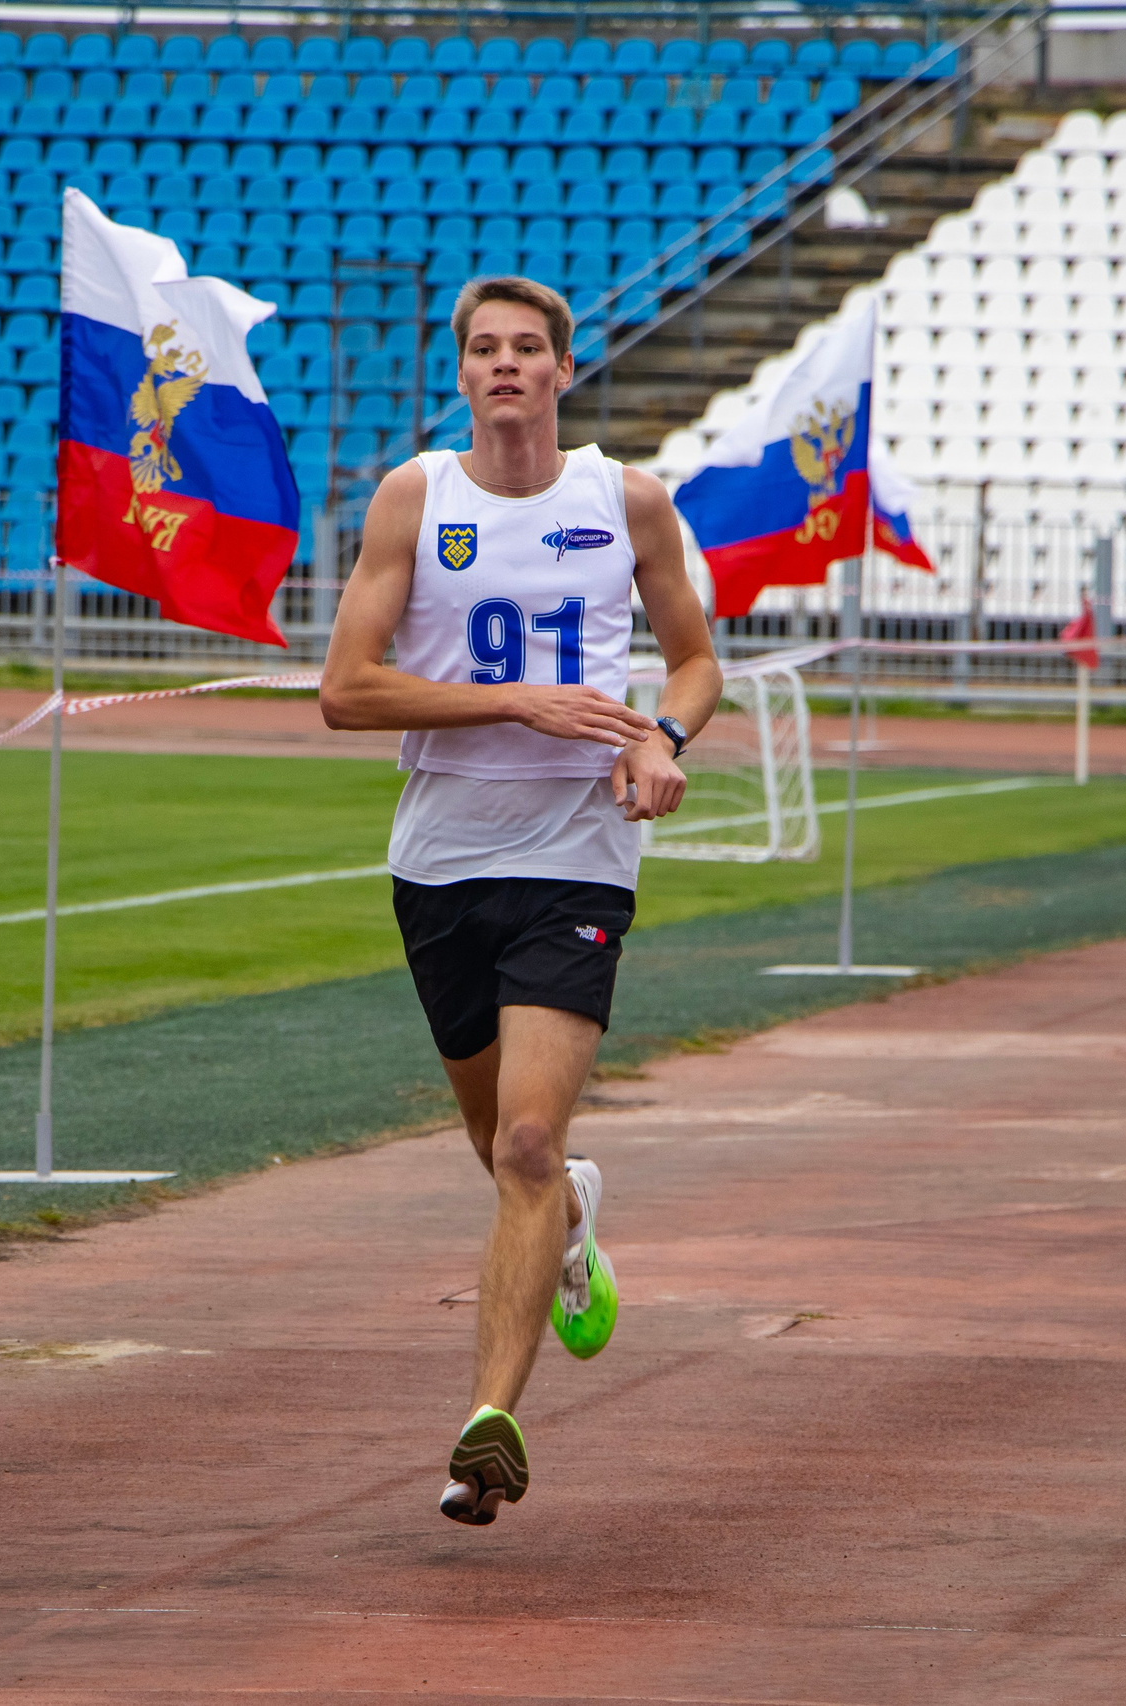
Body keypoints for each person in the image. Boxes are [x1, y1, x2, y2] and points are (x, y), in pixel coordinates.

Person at [319, 276, 724, 1525]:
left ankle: (484, 1427)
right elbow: (345, 690)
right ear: (462, 374)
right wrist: (513, 701)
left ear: (561, 370)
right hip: (441, 860)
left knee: (527, 1143)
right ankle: (571, 1218)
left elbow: (695, 660)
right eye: (485, 348)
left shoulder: (624, 499)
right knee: (501, 1148)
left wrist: (658, 737)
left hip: (578, 856)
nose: (506, 363)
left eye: (527, 347)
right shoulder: (413, 498)